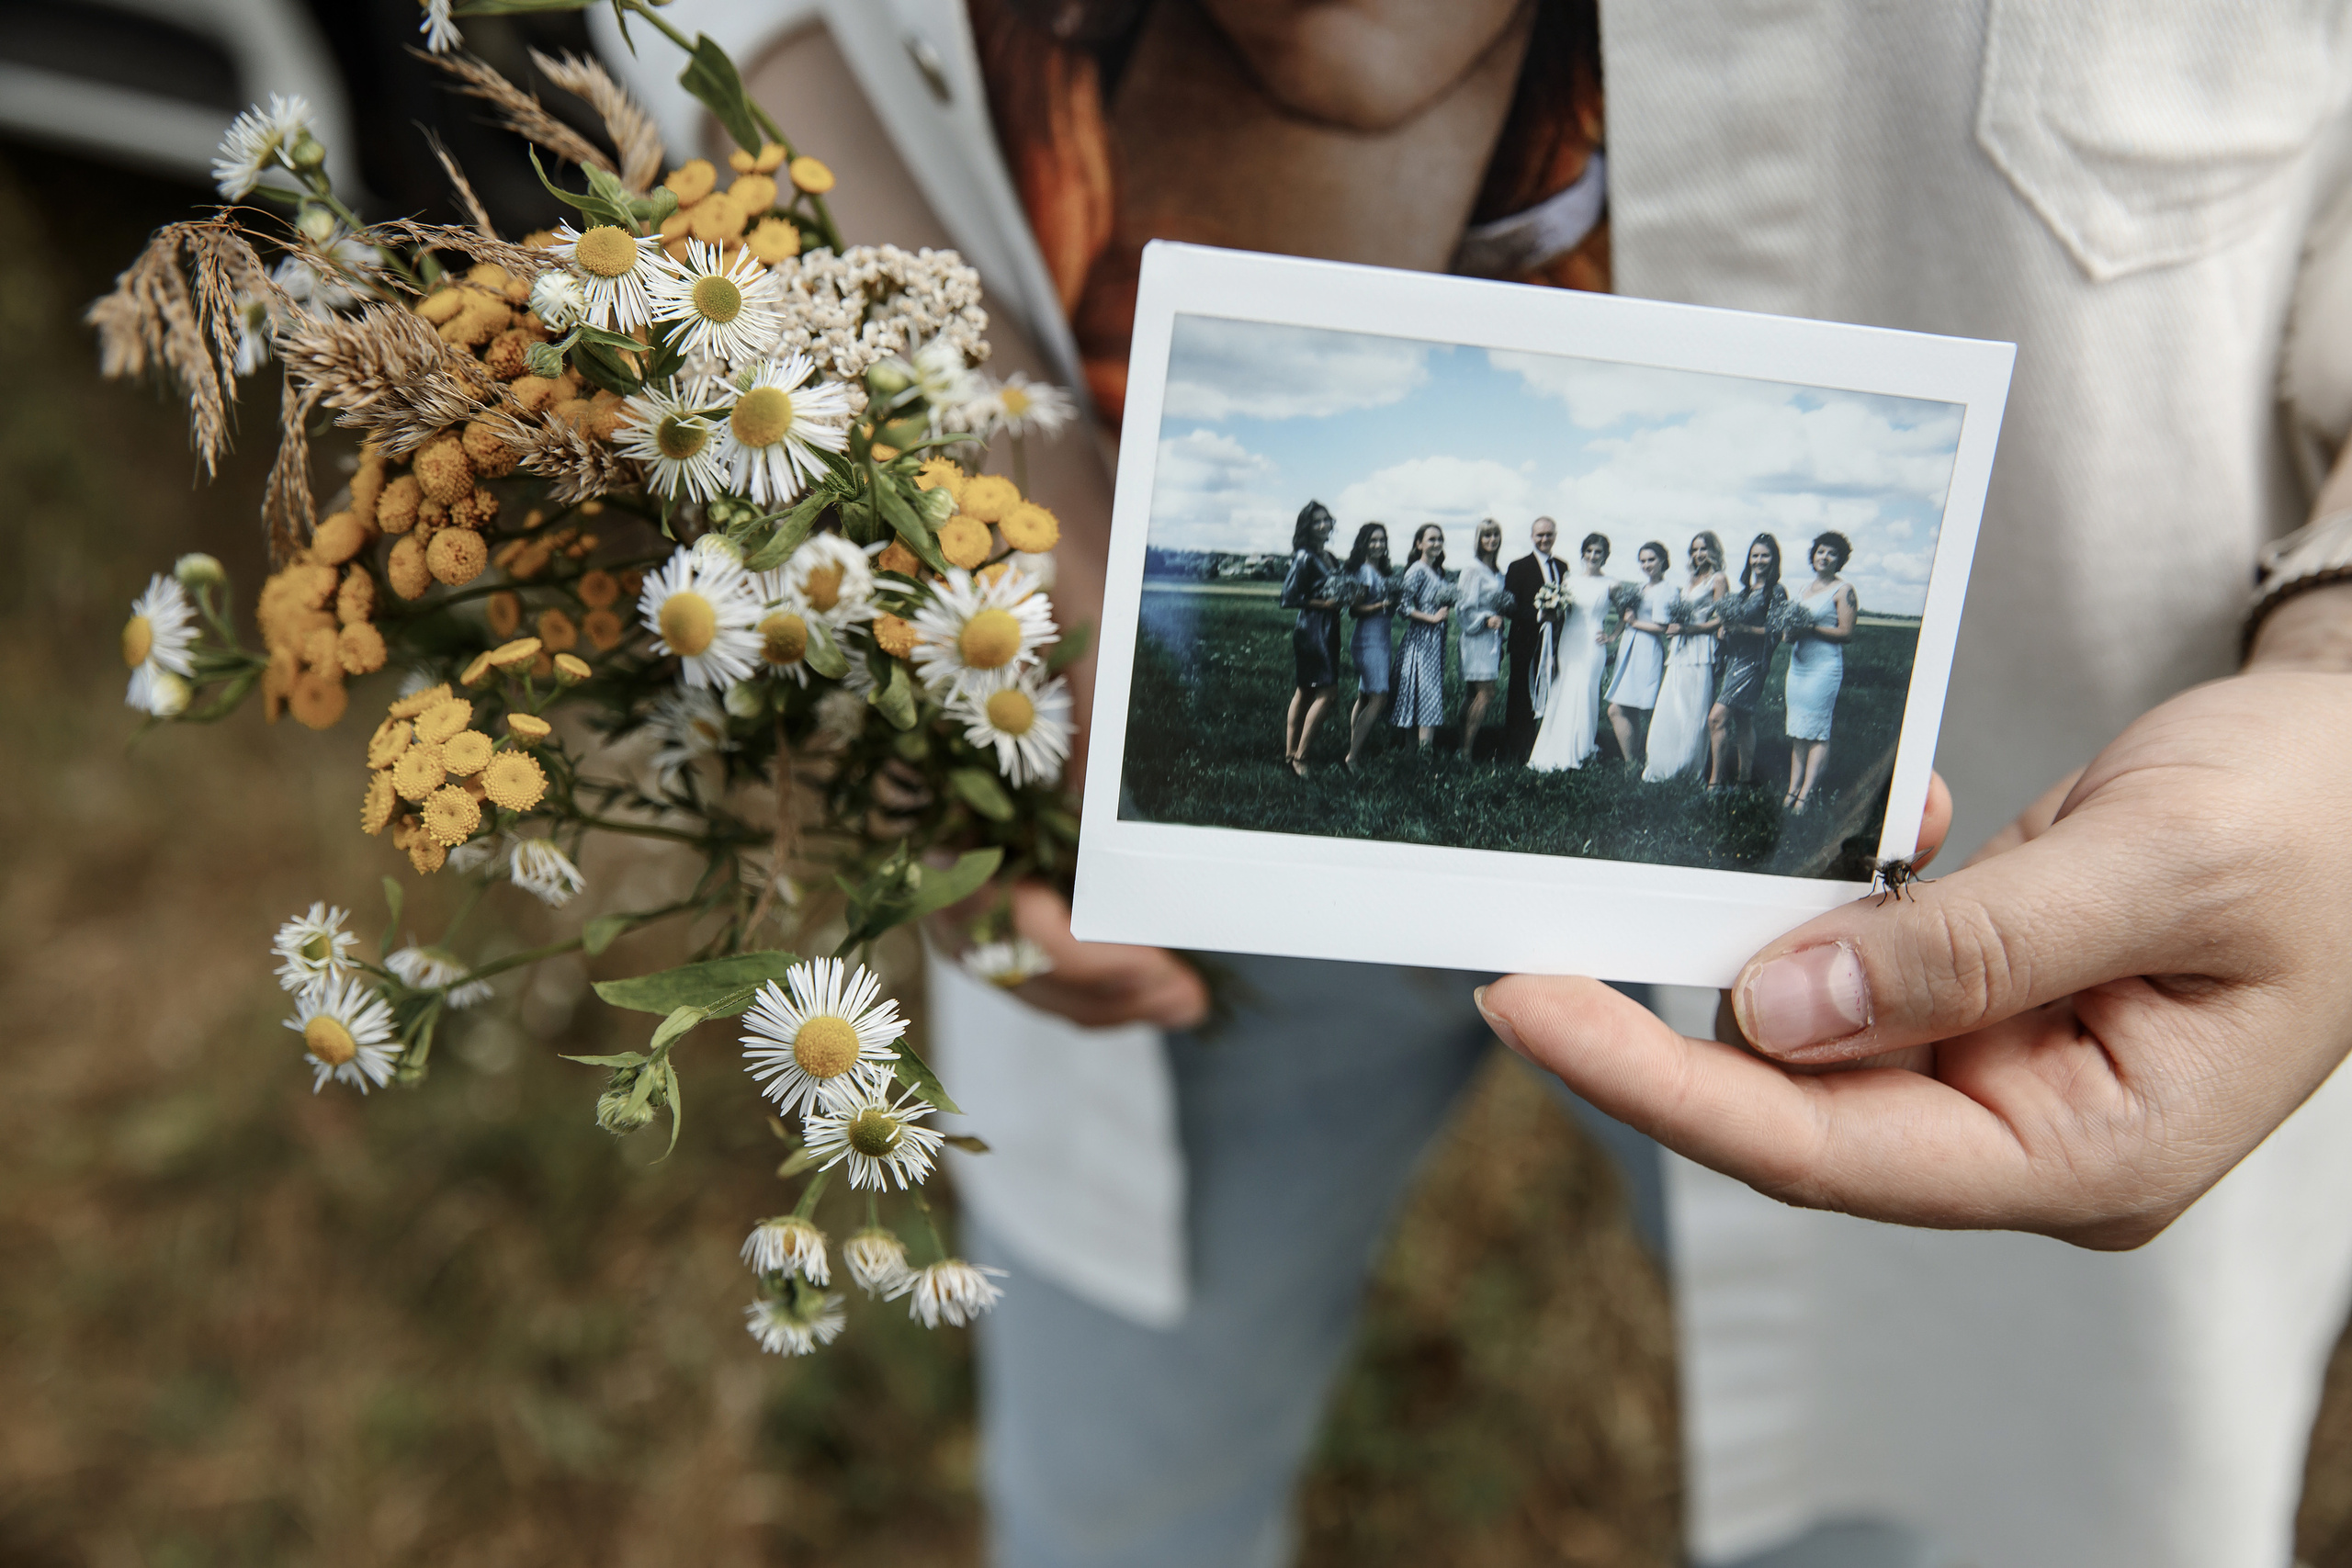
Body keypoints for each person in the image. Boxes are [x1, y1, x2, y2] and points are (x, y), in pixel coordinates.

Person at [695, 6, 2352, 1567]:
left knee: (1970, 1445)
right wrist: (949, 495)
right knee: (1128, 1450)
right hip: (1087, 644)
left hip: (2002, 761)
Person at [1641, 532, 1728, 783]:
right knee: (1671, 703)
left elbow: (1719, 620)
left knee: (1693, 707)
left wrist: (1687, 629)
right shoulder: (1691, 578)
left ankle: (1688, 766)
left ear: (1713, 551)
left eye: (1703, 549)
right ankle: (1663, 762)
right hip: (1680, 647)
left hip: (1700, 648)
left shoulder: (1718, 579)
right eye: (1694, 550)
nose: (1698, 555)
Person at [1527, 530, 1616, 771]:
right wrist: (1547, 609)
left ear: (1605, 555)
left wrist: (1614, 635)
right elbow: (1559, 614)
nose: (1593, 555)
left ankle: (1582, 749)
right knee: (1563, 688)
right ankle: (1555, 747)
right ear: (1583, 553)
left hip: (1593, 644)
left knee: (1585, 689)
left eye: (1598, 552)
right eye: (1589, 551)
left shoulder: (1612, 584)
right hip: (1569, 641)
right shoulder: (1569, 580)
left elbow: (1629, 612)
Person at [1705, 534, 1787, 787]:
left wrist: (1741, 628)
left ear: (1774, 559)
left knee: (1716, 718)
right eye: (1755, 555)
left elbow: (1775, 632)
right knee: (1743, 719)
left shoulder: (1776, 592)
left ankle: (1715, 782)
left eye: (1765, 555)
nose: (1759, 560)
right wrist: (1725, 630)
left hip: (1753, 664)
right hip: (1735, 660)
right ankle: (1744, 778)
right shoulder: (1745, 592)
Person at [1781, 531, 1856, 810]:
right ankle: (1791, 790)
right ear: (1813, 555)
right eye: (1821, 551)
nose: (1824, 557)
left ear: (1840, 560)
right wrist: (1788, 632)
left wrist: (1810, 628)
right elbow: (1790, 631)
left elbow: (1846, 633)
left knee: (1817, 730)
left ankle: (1805, 795)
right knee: (1798, 729)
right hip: (1798, 665)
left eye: (1832, 553)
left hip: (1824, 667)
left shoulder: (1844, 589)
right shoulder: (1802, 589)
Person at [1277, 502, 1343, 778]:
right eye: (1316, 521)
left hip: (1330, 629)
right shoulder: (1304, 557)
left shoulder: (1329, 556)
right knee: (1326, 693)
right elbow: (1288, 598)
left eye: (1326, 520)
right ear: (1306, 526)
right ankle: (1301, 758)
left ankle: (1290, 754)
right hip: (1313, 630)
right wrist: (1323, 604)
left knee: (1305, 691)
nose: (1322, 525)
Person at [1605, 540, 1676, 768]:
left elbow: (1664, 627)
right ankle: (1635, 760)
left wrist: (1635, 622)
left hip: (1647, 649)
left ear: (1663, 561)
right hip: (1630, 646)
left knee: (1616, 709)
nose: (1646, 565)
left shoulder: (1667, 589)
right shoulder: (1641, 588)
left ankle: (1631, 763)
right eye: (1643, 561)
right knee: (1629, 708)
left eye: (1651, 560)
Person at [1503, 516, 1566, 761]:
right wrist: (1541, 614)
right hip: (1525, 642)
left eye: (1549, 534)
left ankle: (1543, 747)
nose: (1544, 539)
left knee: (1550, 694)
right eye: (1539, 535)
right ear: (1532, 536)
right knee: (1520, 698)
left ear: (1555, 536)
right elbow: (1510, 608)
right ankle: (1515, 752)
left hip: (1554, 644)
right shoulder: (1518, 566)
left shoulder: (1561, 566)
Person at [1454, 520, 1514, 760]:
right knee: (1486, 693)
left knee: (1473, 693)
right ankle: (1466, 751)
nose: (1492, 540)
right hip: (1477, 636)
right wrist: (1486, 619)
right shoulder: (1472, 568)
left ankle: (1461, 746)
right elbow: (1463, 607)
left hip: (1492, 638)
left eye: (1496, 535)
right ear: (1479, 539)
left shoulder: (1496, 572)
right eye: (1486, 536)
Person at [1389, 524, 1452, 750]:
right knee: (1426, 691)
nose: (1436, 544)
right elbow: (1403, 607)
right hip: (1422, 638)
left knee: (1424, 690)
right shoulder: (1417, 569)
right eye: (1431, 539)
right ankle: (1422, 753)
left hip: (1435, 639)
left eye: (1439, 539)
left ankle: (1414, 750)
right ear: (1419, 544)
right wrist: (1432, 618)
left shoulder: (1436, 571)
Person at [1340, 522, 1396, 771]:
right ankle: (1352, 757)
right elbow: (1354, 609)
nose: (1379, 545)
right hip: (1368, 640)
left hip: (1381, 640)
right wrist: (1380, 605)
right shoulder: (1364, 571)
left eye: (1382, 540)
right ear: (1363, 543)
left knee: (1364, 696)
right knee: (1379, 697)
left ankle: (1355, 745)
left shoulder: (1380, 571)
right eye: (1373, 540)